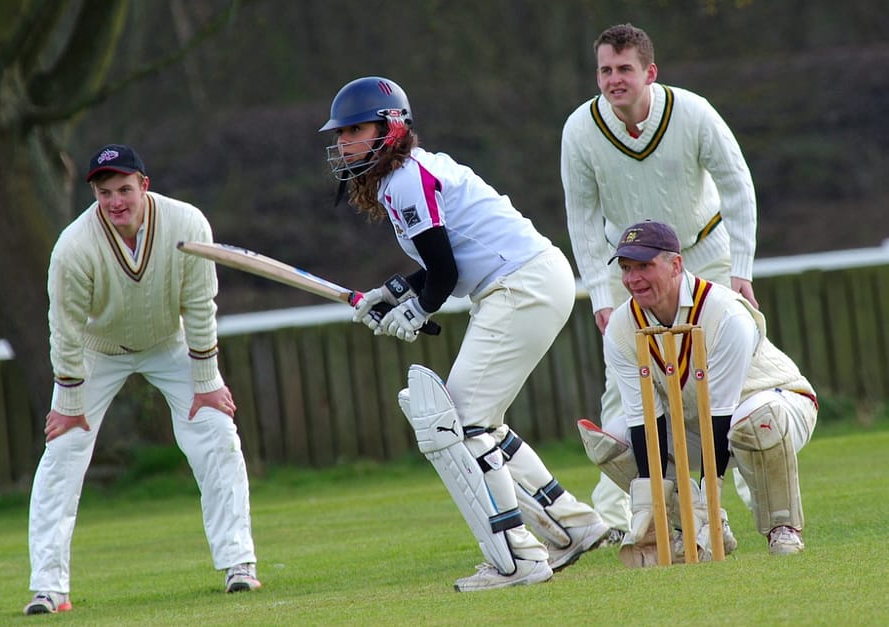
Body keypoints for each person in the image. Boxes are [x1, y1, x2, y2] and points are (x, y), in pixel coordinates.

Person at [318, 76, 608, 592]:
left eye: (354, 131)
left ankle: (518, 557)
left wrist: (415, 310)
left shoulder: (406, 178)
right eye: (340, 134)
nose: (343, 143)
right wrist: (393, 294)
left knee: (462, 424)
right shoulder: (407, 174)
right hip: (528, 280)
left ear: (390, 127)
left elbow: (445, 274)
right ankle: (572, 526)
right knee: (481, 423)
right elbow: (440, 266)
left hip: (521, 284)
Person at [24, 144, 260, 615]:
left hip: (169, 342)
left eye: (124, 190)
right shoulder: (73, 247)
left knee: (217, 433)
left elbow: (200, 304)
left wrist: (207, 380)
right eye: (105, 193)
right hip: (97, 350)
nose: (115, 202)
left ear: (144, 186)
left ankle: (239, 564)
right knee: (62, 453)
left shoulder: (188, 223)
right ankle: (49, 589)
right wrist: (68, 404)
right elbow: (65, 329)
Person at [561, 22, 759, 541]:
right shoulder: (579, 129)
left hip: (703, 252)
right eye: (605, 70)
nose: (614, 79)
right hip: (627, 265)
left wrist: (740, 269)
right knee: (623, 383)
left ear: (649, 72)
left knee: (738, 379)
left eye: (624, 69)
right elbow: (582, 218)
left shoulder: (693, 112)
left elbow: (738, 185)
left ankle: (763, 510)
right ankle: (627, 517)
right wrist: (600, 294)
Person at [583, 220, 817, 566]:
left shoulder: (724, 312)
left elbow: (720, 417)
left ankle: (782, 527)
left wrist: (711, 501)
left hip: (779, 405)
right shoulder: (621, 326)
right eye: (626, 268)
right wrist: (651, 504)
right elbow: (645, 420)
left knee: (754, 419)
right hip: (697, 424)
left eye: (644, 266)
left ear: (676, 264)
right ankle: (688, 527)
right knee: (612, 441)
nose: (633, 279)